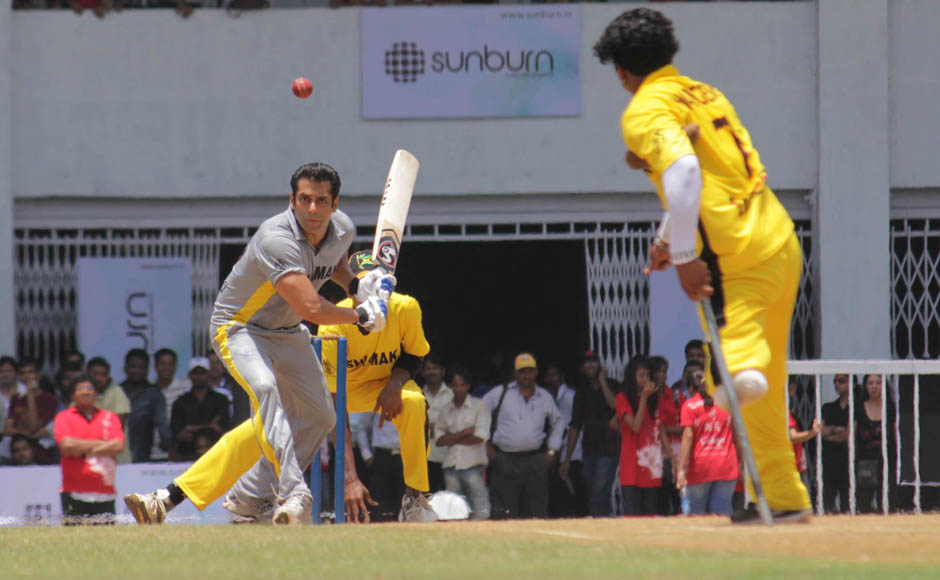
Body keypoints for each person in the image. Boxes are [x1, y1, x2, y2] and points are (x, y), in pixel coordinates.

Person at [596, 7, 810, 523]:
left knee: (732, 375)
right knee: (766, 387)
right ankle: (782, 498)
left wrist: (687, 257)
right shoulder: (705, 93)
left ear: (622, 71)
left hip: (733, 257)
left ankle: (733, 372)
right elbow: (702, 173)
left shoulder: (643, 110)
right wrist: (667, 236)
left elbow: (685, 171)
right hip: (778, 239)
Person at [124, 162, 391, 525]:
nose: (312, 209)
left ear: (335, 204)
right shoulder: (275, 239)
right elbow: (311, 306)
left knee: (320, 416)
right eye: (305, 200)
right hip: (240, 329)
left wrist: (358, 287)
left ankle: (248, 496)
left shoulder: (341, 230)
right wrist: (361, 316)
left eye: (321, 201)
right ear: (292, 200)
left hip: (287, 331)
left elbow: (333, 264)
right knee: (266, 391)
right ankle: (294, 492)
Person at [318, 250, 437, 523]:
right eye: (362, 285)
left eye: (375, 283)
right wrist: (349, 478)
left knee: (416, 403)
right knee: (282, 420)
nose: (369, 294)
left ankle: (416, 496)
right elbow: (335, 402)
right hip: (345, 391)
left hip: (386, 385)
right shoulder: (333, 326)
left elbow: (415, 354)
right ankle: (280, 496)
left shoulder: (404, 307)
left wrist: (395, 384)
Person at [484, 352, 564, 520]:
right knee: (505, 511)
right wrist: (485, 444)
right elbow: (478, 413)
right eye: (522, 371)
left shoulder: (544, 396)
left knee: (537, 509)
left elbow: (558, 422)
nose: (526, 375)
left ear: (535, 373)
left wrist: (552, 451)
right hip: (505, 459)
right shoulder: (500, 393)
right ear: (515, 373)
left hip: (535, 460)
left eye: (530, 371)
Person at [53, 375, 125, 525]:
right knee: (74, 540)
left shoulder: (109, 417)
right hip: (74, 491)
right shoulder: (64, 417)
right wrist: (103, 444)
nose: (85, 392)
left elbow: (118, 446)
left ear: (96, 393)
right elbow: (66, 447)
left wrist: (81, 448)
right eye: (80, 389)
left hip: (105, 493)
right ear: (72, 395)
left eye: (89, 388)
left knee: (107, 541)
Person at [562, 351, 620, 517]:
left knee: (600, 490)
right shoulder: (581, 392)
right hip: (589, 450)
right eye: (587, 363)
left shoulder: (613, 385)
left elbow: (616, 406)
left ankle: (600, 523)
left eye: (593, 362)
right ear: (582, 368)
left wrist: (602, 382)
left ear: (600, 365)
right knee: (592, 488)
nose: (590, 366)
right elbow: (575, 425)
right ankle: (603, 520)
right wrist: (567, 459)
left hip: (610, 449)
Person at [676, 369, 739, 516]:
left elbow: (688, 437)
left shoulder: (690, 406)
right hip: (727, 465)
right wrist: (741, 459)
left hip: (700, 467)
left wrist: (681, 470)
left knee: (697, 516)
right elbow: (737, 434)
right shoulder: (727, 402)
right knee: (722, 513)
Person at [436, 366, 491, 520]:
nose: (458, 389)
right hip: (451, 464)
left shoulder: (479, 406)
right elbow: (439, 440)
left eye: (462, 385)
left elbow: (480, 437)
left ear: (468, 386)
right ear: (451, 386)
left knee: (480, 505)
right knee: (453, 508)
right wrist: (464, 433)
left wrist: (452, 438)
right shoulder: (446, 409)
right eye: (455, 385)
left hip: (473, 463)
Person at [614, 355, 662, 515]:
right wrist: (643, 400)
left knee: (650, 512)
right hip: (632, 464)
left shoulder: (654, 398)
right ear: (632, 377)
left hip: (651, 463)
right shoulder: (622, 398)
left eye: (648, 375)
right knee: (632, 514)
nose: (645, 379)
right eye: (641, 375)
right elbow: (634, 426)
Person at [168, 357, 230, 462]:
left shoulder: (221, 400)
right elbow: (178, 433)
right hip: (187, 457)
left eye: (203, 373)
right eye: (195, 373)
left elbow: (224, 429)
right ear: (190, 375)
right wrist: (210, 426)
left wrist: (194, 428)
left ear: (208, 374)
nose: (199, 377)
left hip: (217, 455)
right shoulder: (180, 402)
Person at [120, 348, 170, 463]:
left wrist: (166, 441)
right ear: (126, 368)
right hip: (117, 456)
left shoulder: (154, 394)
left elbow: (162, 423)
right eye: (133, 366)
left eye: (141, 367)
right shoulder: (117, 391)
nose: (137, 371)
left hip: (142, 457)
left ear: (147, 370)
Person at [855, 374, 896, 514]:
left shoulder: (890, 408)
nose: (874, 386)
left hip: (887, 460)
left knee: (886, 501)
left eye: (878, 383)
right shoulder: (859, 408)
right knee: (863, 502)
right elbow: (852, 433)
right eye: (870, 383)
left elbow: (896, 434)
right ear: (865, 386)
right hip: (865, 460)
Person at [85, 356, 132, 463]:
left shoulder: (116, 392)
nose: (99, 378)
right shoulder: (79, 396)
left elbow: (117, 426)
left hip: (118, 462)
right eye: (95, 374)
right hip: (87, 462)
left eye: (103, 375)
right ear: (87, 375)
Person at [421, 354, 453, 493]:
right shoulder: (417, 394)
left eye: (435, 368)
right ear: (422, 372)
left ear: (443, 371)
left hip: (449, 457)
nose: (432, 372)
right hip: (423, 458)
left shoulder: (453, 395)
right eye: (428, 369)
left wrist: (436, 428)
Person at [820, 374, 851, 513]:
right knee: (827, 506)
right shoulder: (828, 407)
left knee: (848, 506)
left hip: (849, 463)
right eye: (835, 381)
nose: (837, 384)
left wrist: (829, 433)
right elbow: (820, 431)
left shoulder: (856, 408)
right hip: (830, 463)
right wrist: (835, 429)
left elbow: (847, 436)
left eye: (841, 381)